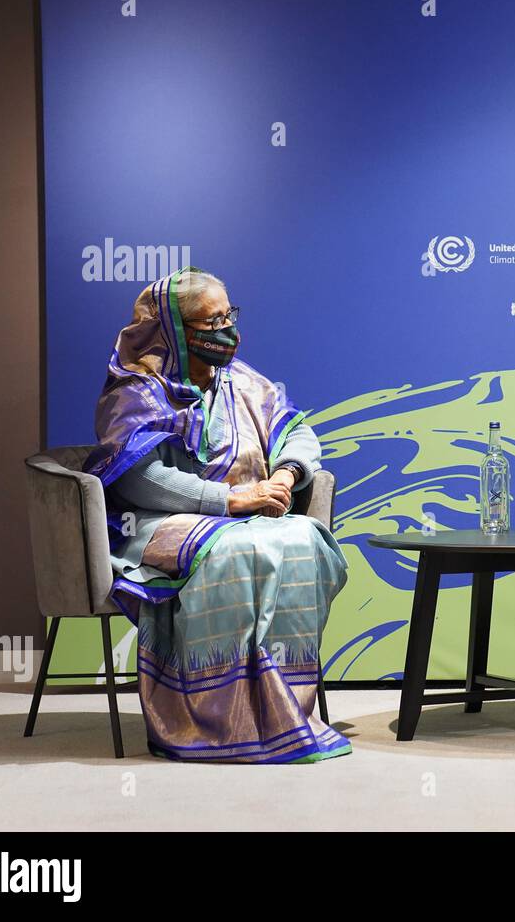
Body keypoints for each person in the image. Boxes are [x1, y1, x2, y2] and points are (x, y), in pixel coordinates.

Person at [83, 267, 351, 763]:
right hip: (158, 524)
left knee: (304, 539)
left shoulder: (245, 382)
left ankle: (285, 705)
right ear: (176, 332)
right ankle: (214, 719)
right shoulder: (136, 391)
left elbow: (297, 431)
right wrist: (230, 501)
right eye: (213, 322)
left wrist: (287, 476)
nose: (230, 330)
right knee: (237, 547)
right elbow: (139, 479)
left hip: (251, 512)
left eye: (231, 315)